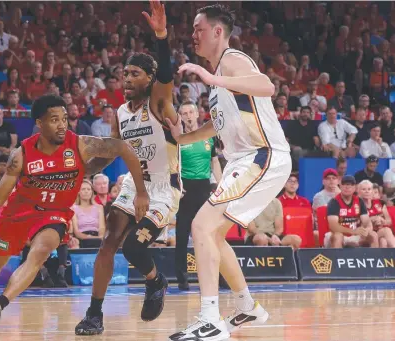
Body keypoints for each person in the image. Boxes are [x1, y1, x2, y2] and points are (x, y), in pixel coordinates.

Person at [0, 94, 149, 339]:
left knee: (40, 253)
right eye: (54, 120)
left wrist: (141, 192)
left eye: (65, 119)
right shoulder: (21, 154)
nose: (62, 125)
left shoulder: (80, 144)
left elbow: (122, 148)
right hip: (18, 214)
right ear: (40, 123)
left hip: (54, 215)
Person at [165, 5, 291, 340]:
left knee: (200, 226)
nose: (193, 35)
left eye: (198, 28)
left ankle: (210, 319)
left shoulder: (233, 60)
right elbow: (215, 126)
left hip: (262, 156)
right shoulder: (220, 78)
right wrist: (183, 137)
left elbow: (267, 86)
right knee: (212, 233)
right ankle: (247, 306)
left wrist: (210, 78)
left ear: (218, 32)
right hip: (244, 160)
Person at [75, 2, 180, 335]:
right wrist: (82, 172)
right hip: (135, 186)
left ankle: (155, 281)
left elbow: (166, 73)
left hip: (163, 189)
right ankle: (94, 313)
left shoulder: (158, 103)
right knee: (109, 243)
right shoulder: (121, 112)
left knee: (134, 247)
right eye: (125, 74)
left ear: (149, 79)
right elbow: (112, 151)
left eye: (135, 74)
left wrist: (161, 37)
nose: (127, 79)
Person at [174, 101, 222, 291]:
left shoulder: (209, 136)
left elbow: (214, 161)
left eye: (190, 112)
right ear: (180, 117)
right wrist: (176, 185)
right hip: (185, 189)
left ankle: (218, 275)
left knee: (210, 234)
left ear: (196, 114)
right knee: (182, 236)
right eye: (183, 113)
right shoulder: (177, 138)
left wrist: (221, 185)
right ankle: (182, 278)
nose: (187, 116)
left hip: (204, 188)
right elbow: (171, 164)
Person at [325, 175, 377, 248]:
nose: (347, 187)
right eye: (345, 184)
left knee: (373, 235)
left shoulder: (359, 201)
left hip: (355, 236)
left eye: (350, 185)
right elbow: (333, 226)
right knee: (338, 236)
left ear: (354, 188)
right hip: (338, 235)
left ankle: (374, 259)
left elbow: (367, 223)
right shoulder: (334, 202)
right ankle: (339, 259)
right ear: (340, 186)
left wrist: (365, 230)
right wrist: (353, 231)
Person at [357, 180, 395, 248]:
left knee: (383, 241)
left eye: (369, 189)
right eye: (364, 189)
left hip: (379, 232)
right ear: (359, 192)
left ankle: (394, 255)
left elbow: (389, 221)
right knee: (384, 232)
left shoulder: (380, 203)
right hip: (364, 234)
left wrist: (382, 221)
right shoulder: (356, 205)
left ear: (372, 191)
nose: (367, 191)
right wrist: (372, 219)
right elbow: (356, 223)